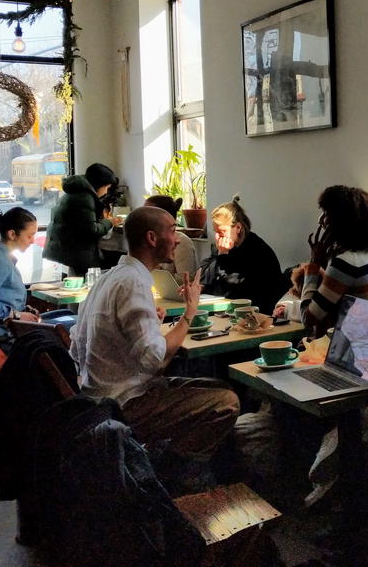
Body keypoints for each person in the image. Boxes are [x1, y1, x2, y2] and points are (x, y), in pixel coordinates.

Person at [69, 205, 239, 482]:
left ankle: (161, 465)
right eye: (173, 231)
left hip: (93, 395)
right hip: (122, 402)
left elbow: (78, 345)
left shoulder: (110, 278)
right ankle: (169, 477)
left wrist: (152, 320)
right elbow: (156, 361)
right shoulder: (134, 283)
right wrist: (188, 314)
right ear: (151, 238)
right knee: (226, 402)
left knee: (214, 387)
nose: (178, 238)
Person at [300, 185, 368, 338]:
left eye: (326, 214)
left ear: (340, 221)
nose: (321, 220)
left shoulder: (346, 263)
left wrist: (313, 265)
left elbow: (308, 318)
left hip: (362, 355)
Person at [0, 207, 75, 340]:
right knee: (77, 323)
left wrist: (22, 310)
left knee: (68, 312)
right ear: (12, 234)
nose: (32, 240)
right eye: (29, 235)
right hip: (4, 331)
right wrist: (16, 315)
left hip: (10, 324)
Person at [199, 196, 286, 314]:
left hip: (259, 312)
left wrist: (223, 256)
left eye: (222, 232)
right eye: (216, 232)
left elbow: (231, 287)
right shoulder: (224, 247)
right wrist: (203, 286)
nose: (217, 237)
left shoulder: (256, 250)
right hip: (231, 311)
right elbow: (205, 274)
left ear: (238, 228)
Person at [44, 162, 122, 278]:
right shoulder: (85, 198)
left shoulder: (74, 192)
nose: (106, 192)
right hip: (76, 254)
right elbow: (92, 230)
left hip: (64, 250)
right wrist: (110, 222)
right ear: (99, 184)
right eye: (106, 187)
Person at [144, 194, 199, 277]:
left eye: (147, 213)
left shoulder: (182, 242)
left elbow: (186, 281)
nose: (142, 216)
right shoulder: (147, 240)